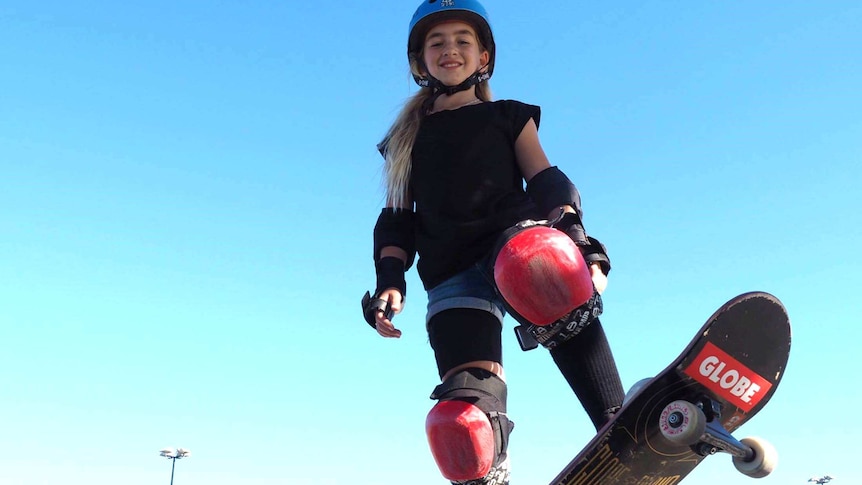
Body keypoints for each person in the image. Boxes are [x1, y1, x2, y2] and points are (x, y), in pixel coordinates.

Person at [361, 1, 625, 484]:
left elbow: (547, 182)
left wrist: (578, 241)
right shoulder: (405, 139)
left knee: (538, 264)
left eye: (463, 40)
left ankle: (617, 422)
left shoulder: (508, 117)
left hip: (512, 244)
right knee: (461, 422)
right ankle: (489, 472)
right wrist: (389, 279)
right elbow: (396, 220)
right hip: (450, 270)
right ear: (420, 61)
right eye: (436, 42)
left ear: (484, 56)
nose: (450, 50)